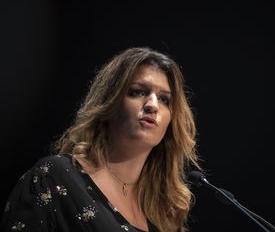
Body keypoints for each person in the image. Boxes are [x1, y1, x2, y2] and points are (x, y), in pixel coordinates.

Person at [1, 47, 202, 232]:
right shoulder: (54, 177)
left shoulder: (164, 213)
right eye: (138, 92)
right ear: (110, 103)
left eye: (164, 99)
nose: (152, 105)